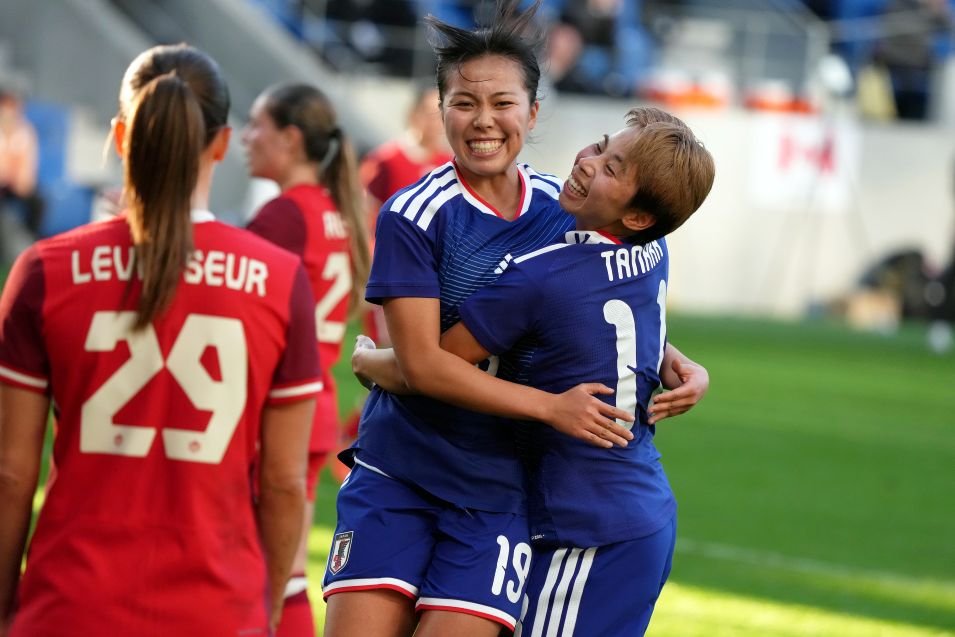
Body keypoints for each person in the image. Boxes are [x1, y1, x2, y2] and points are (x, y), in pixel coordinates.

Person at [323, 3, 708, 636]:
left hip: (500, 490)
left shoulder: (567, 207)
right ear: (439, 109)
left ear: (532, 113)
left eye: (502, 103)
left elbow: (601, 309)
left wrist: (676, 360)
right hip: (402, 471)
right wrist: (548, 407)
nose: (483, 120)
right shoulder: (414, 214)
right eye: (463, 102)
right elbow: (423, 366)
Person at [0, 44, 320, 636]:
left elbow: (12, 474)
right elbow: (282, 482)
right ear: (221, 144)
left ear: (121, 135)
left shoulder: (46, 270)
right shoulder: (278, 279)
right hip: (216, 612)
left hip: (72, 606)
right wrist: (267, 612)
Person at [437, 106, 716, 636]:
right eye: (601, 146)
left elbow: (435, 364)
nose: (588, 162)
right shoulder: (654, 250)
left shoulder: (543, 278)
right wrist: (678, 361)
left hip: (588, 529)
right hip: (634, 508)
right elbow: (616, 319)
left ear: (638, 217)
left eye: (611, 168)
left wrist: (372, 361)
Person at [242, 82, 371, 637]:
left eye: (257, 125)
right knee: (288, 571)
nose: (246, 137)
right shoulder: (332, 210)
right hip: (314, 401)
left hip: (276, 407)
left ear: (291, 139)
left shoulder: (283, 216)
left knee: (257, 572)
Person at [358, 84, 452, 346]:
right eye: (429, 113)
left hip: (433, 270)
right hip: (392, 265)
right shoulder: (386, 159)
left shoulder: (449, 164)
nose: (435, 122)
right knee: (389, 343)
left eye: (441, 114)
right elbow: (364, 216)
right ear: (414, 114)